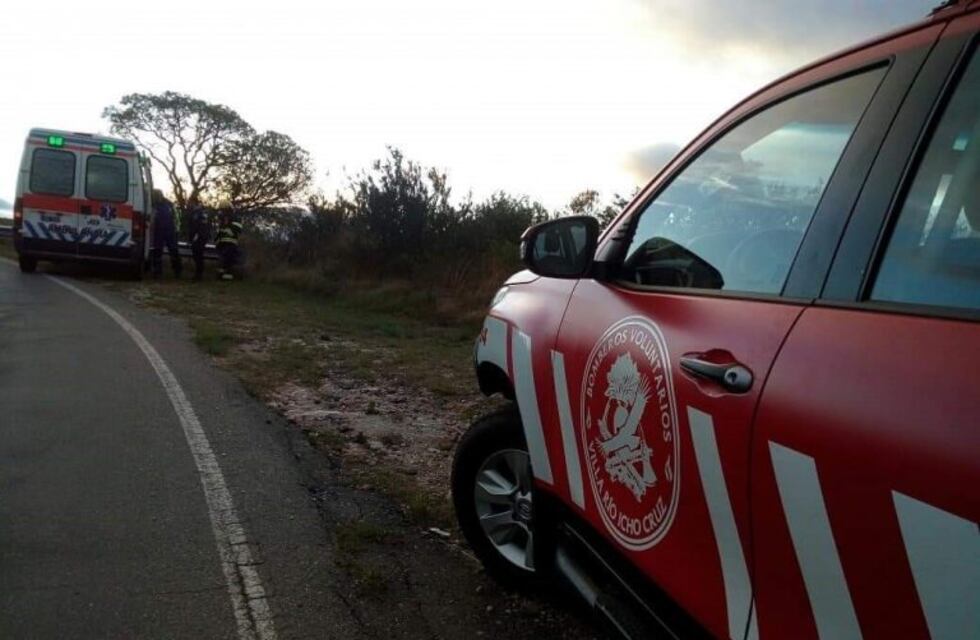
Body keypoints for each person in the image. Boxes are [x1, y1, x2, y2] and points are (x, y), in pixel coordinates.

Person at [151, 189, 182, 278]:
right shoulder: (154, 205)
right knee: (157, 251)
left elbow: (177, 218)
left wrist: (176, 230)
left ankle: (177, 270)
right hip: (158, 232)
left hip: (170, 231)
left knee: (174, 251)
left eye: (156, 195)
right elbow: (152, 218)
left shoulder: (170, 205)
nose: (155, 197)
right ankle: (157, 272)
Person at [215, 208, 243, 281]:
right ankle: (222, 275)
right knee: (222, 259)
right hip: (222, 243)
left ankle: (226, 276)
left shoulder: (235, 219)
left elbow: (239, 229)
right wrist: (217, 241)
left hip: (231, 243)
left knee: (227, 260)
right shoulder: (221, 219)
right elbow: (219, 231)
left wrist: (229, 223)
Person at [187, 203, 210, 281]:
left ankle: (198, 274)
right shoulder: (200, 213)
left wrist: (195, 236)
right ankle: (198, 273)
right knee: (198, 256)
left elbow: (198, 226)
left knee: (198, 255)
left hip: (199, 237)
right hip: (199, 237)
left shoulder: (198, 214)